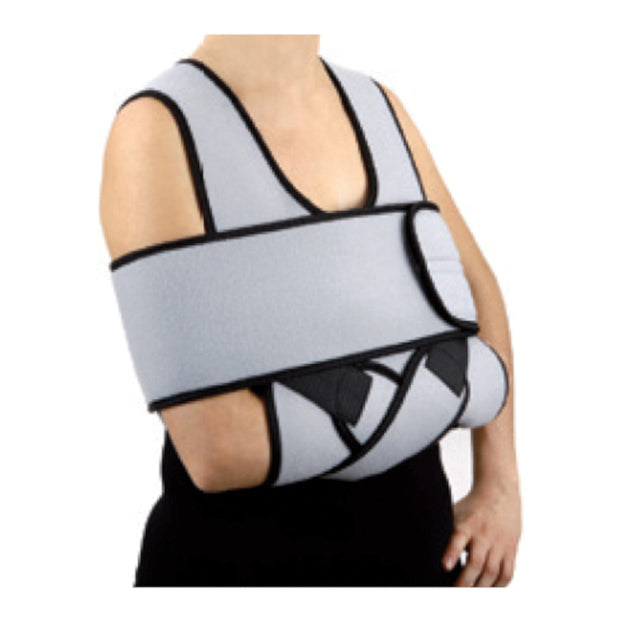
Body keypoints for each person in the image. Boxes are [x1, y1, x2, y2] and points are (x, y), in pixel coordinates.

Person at [99, 34, 522, 587]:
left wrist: (499, 481)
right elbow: (218, 450)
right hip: (240, 568)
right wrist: (451, 384)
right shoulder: (159, 126)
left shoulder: (378, 106)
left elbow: (476, 288)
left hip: (420, 556)